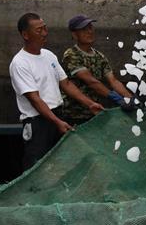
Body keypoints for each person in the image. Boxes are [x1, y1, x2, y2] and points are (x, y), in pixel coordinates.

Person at [9, 13, 103, 169]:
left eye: (45, 28)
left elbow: (66, 84)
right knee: (38, 167)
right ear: (25, 35)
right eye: (39, 30)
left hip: (58, 115)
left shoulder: (49, 56)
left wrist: (89, 103)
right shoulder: (20, 63)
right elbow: (35, 99)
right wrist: (56, 122)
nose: (45, 33)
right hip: (38, 123)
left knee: (60, 167)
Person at [60, 15, 136, 125]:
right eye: (84, 30)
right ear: (74, 34)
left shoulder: (99, 56)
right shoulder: (71, 55)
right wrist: (117, 98)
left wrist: (129, 98)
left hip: (95, 112)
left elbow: (113, 81)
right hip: (74, 114)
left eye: (90, 28)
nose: (89, 32)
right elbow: (91, 82)